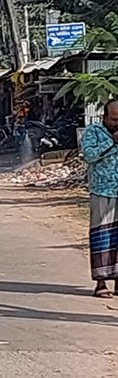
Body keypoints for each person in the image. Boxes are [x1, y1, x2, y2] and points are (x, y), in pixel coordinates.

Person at [81, 99, 118, 298]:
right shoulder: (93, 132)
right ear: (104, 117)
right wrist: (112, 142)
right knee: (102, 238)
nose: (117, 123)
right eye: (114, 119)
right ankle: (101, 282)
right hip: (103, 191)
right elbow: (89, 156)